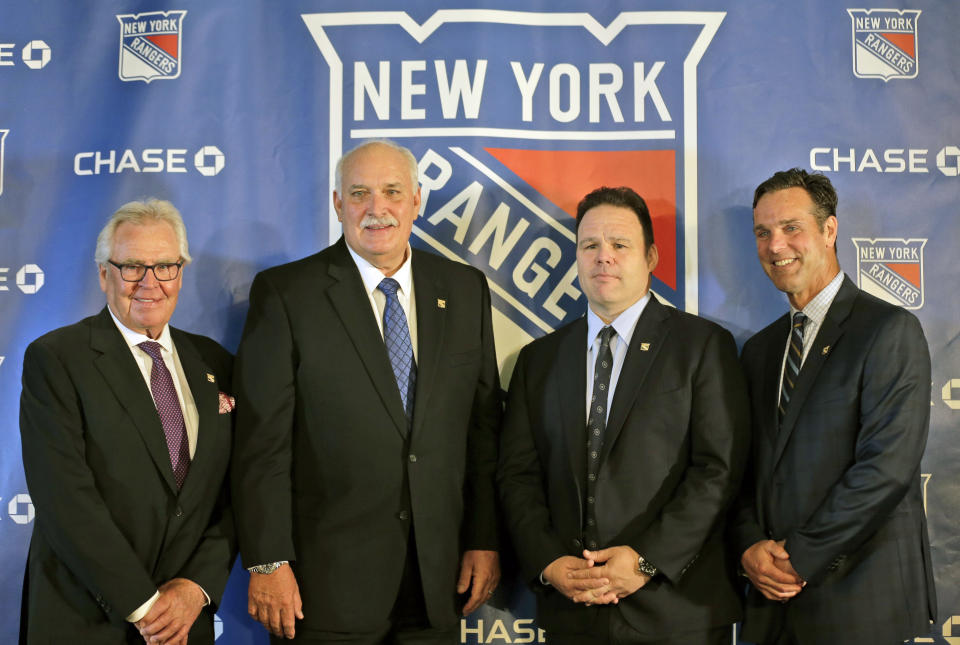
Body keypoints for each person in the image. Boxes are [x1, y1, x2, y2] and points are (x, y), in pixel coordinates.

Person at [231, 140, 502, 643]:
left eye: (392, 192)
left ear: (417, 200)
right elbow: (261, 443)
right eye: (359, 194)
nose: (377, 209)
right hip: (324, 586)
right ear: (338, 204)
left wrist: (483, 540)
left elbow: (482, 432)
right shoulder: (288, 295)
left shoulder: (465, 289)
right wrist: (268, 561)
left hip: (437, 581)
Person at [498, 186, 749, 645]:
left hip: (675, 612)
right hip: (571, 612)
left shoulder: (702, 346)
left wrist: (645, 561)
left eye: (619, 244)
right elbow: (517, 475)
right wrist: (549, 562)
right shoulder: (538, 360)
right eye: (589, 245)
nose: (603, 257)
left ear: (651, 257)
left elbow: (718, 469)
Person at [732, 168, 937, 645]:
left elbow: (886, 468)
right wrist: (748, 548)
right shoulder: (760, 352)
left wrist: (797, 558)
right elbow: (741, 468)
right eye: (763, 233)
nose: (775, 245)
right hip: (771, 607)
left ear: (829, 230)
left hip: (860, 602)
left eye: (791, 228)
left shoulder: (888, 330)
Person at [18, 199, 236, 645]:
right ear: (104, 274)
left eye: (166, 267)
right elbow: (65, 501)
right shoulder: (58, 359)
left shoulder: (213, 361)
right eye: (132, 267)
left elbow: (233, 494)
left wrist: (195, 589)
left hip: (183, 623)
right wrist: (145, 606)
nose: (150, 283)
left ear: (181, 272)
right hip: (84, 621)